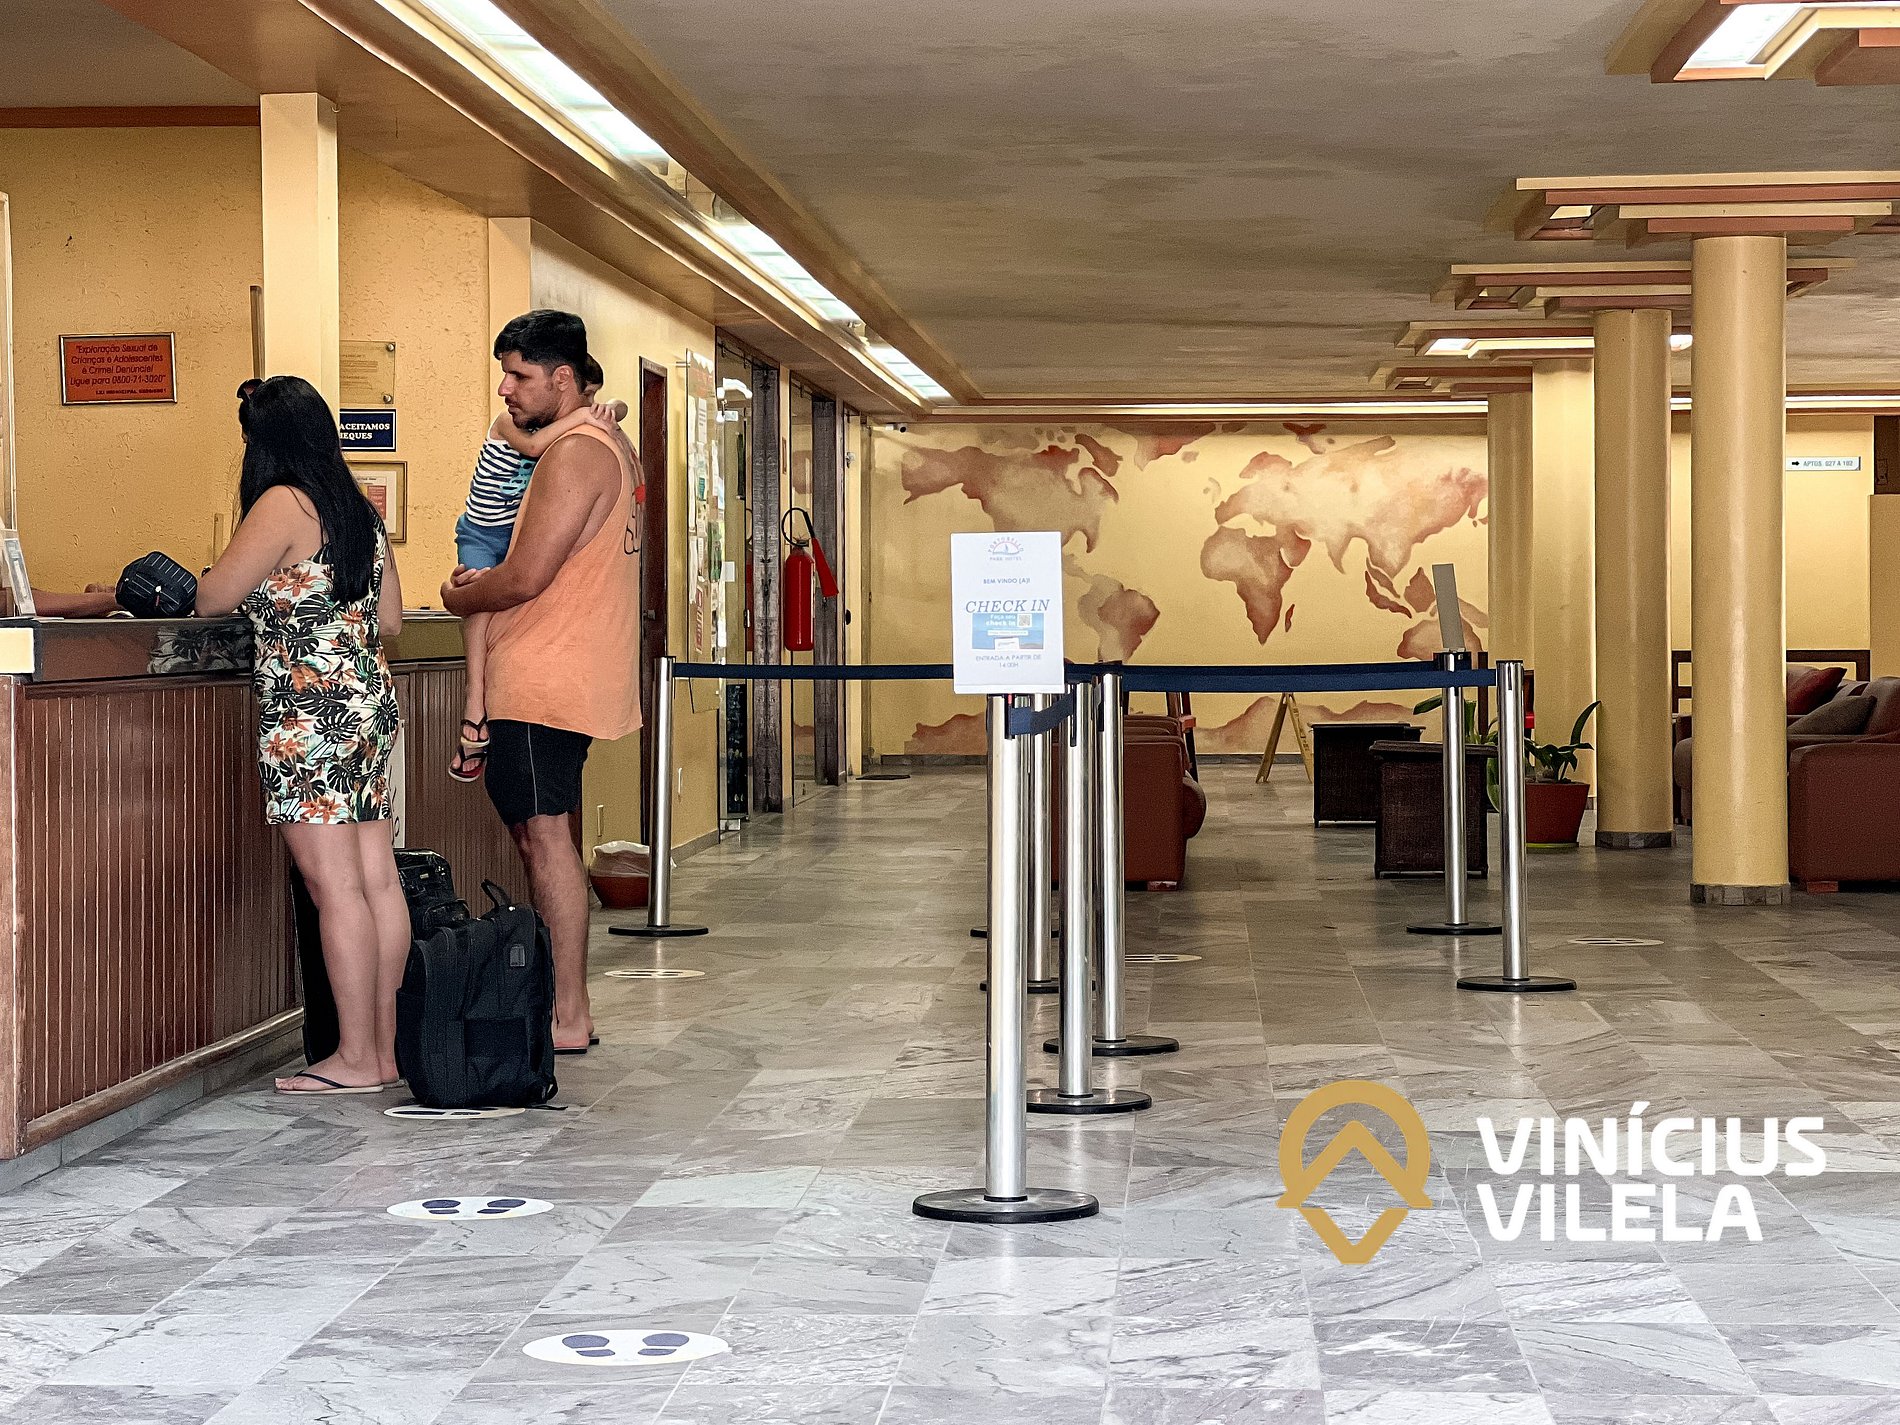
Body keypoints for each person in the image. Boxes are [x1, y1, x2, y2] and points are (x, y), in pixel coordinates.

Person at [197, 374, 408, 1095]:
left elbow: (212, 597)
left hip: (307, 713)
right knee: (377, 878)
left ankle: (354, 1056)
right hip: (366, 700)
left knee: (334, 886)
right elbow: (391, 621)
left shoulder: (283, 503)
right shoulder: (357, 509)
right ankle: (384, 1052)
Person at [442, 311, 641, 1056]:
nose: (506, 388)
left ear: (563, 378)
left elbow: (525, 575)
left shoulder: (578, 453)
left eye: (519, 375)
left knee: (546, 837)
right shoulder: (600, 443)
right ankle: (564, 1005)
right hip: (557, 674)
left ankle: (568, 1012)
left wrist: (460, 596)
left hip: (544, 676)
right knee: (541, 834)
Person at [450, 358, 628, 780]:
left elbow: (618, 409)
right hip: (482, 531)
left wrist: (611, 409)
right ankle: (474, 704)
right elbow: (531, 448)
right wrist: (585, 417)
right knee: (478, 604)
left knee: (496, 601)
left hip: (516, 530)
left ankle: (482, 710)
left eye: (592, 398)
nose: (588, 406)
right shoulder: (508, 425)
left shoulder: (572, 435)